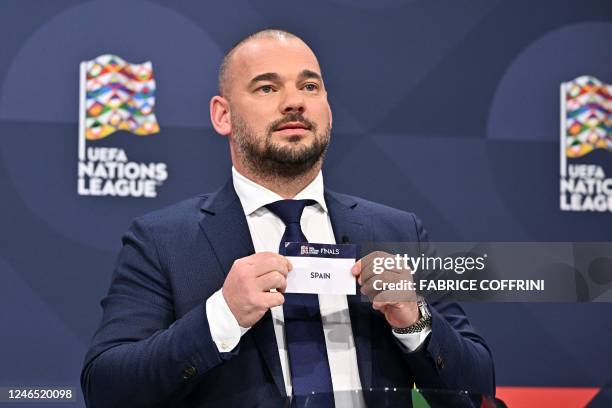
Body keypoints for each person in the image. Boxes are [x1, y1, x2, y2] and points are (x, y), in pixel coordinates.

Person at [81, 29, 495, 407]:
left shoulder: (397, 231)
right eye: (266, 87)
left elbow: (478, 389)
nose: (294, 101)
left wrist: (414, 321)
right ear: (222, 115)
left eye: (309, 86)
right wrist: (220, 316)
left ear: (328, 110)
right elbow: (107, 388)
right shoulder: (162, 240)